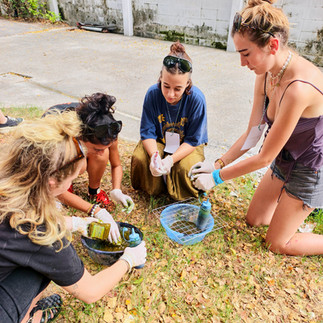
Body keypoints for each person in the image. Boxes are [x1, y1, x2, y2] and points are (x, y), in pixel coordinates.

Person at [190, 0, 323, 256]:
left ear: (272, 45)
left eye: (246, 53)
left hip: (310, 166)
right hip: (285, 157)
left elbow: (263, 157)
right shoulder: (266, 73)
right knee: (255, 220)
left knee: (276, 243)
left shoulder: (298, 89)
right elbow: (254, 133)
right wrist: (217, 163)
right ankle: (292, 212)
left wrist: (217, 179)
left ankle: (297, 211)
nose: (242, 63)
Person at [0, 111, 147, 323]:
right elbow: (90, 291)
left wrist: (75, 223)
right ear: (52, 181)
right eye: (72, 177)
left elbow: (15, 237)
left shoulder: (10, 182)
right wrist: (128, 260)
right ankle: (30, 318)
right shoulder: (42, 234)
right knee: (42, 269)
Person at [131, 41, 208, 201]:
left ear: (188, 83)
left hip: (187, 145)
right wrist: (154, 156)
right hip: (159, 140)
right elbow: (148, 132)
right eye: (166, 86)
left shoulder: (197, 99)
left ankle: (181, 191)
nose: (170, 94)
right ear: (160, 77)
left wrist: (171, 160)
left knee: (186, 167)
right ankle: (156, 186)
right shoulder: (152, 94)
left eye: (177, 89)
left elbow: (194, 140)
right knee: (140, 158)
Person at [44, 93, 135, 216]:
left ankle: (94, 191)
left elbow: (116, 165)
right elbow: (51, 187)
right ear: (81, 139)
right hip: (59, 136)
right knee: (79, 166)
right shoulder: (63, 140)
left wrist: (117, 190)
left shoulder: (108, 130)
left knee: (100, 156)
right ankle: (67, 183)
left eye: (106, 147)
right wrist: (95, 211)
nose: (103, 152)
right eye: (97, 149)